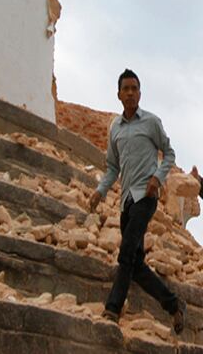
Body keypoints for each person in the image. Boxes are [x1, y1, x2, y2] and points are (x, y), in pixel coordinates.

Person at [88, 69, 185, 332]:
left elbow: (170, 153)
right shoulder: (115, 129)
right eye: (125, 89)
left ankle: (113, 308)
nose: (130, 93)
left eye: (134, 88)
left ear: (140, 93)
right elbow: (112, 168)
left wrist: (158, 177)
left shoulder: (151, 122)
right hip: (126, 202)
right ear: (118, 94)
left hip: (146, 196)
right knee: (136, 264)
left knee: (126, 251)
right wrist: (99, 191)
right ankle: (174, 304)